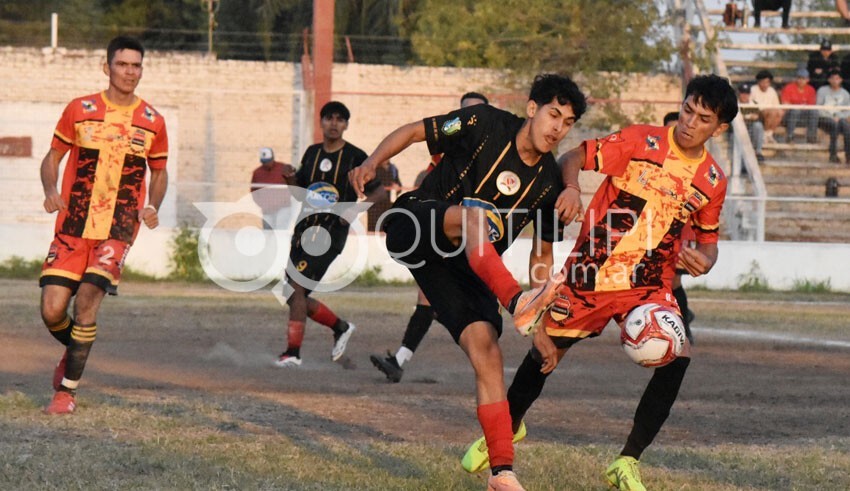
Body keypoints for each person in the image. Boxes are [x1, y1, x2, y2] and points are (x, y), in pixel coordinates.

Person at [461, 74, 738, 491]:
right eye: (686, 110)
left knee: (678, 357)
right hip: (590, 274)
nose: (688, 122)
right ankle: (507, 429)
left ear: (718, 129)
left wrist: (706, 260)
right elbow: (573, 156)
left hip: (648, 284)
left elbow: (709, 240)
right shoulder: (641, 142)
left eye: (702, 119)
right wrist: (571, 187)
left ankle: (627, 460)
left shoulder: (713, 180)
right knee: (545, 353)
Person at [350, 74, 587, 491]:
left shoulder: (549, 182)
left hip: (465, 266)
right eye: (553, 115)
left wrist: (544, 324)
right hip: (416, 223)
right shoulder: (482, 121)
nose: (558, 128)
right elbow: (414, 131)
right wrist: (372, 162)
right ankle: (517, 304)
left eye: (567, 123)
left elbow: (542, 256)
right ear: (532, 109)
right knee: (477, 214)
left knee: (488, 353)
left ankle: (501, 471)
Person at [38, 36, 168, 415]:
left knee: (88, 303)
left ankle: (66, 393)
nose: (130, 72)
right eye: (123, 64)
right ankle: (73, 349)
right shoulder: (80, 109)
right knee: (51, 310)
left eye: (136, 66)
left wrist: (153, 204)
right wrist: (49, 188)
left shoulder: (152, 121)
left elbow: (159, 172)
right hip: (73, 223)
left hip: (119, 227)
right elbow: (52, 157)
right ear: (106, 66)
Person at [370, 91, 490, 383]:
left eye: (477, 113)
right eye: (463, 112)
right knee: (431, 298)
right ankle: (400, 359)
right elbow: (422, 158)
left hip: (467, 237)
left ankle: (407, 357)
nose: (469, 119)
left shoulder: (492, 159)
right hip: (440, 232)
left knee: (454, 305)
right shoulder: (444, 151)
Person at [274, 101, 368, 367]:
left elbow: (378, 191)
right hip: (303, 229)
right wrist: (291, 179)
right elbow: (299, 193)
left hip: (329, 233)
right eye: (329, 118)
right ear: (322, 122)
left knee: (297, 289)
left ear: (346, 125)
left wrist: (354, 211)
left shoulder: (356, 157)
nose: (334, 123)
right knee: (292, 294)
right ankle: (340, 327)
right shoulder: (312, 153)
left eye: (340, 119)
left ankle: (293, 354)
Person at [663, 112, 697, 344]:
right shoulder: (658, 157)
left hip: (681, 228)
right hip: (656, 226)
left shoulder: (695, 161)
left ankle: (683, 325)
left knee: (673, 280)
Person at [250, 147, 291, 230]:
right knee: (268, 234)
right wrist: (262, 204)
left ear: (273, 158)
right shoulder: (257, 173)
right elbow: (254, 191)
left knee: (281, 233)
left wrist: (286, 200)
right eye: (264, 162)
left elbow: (292, 185)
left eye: (268, 161)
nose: (266, 164)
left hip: (283, 208)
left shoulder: (283, 168)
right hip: (267, 210)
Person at [816, 69, 850, 164]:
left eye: (837, 78)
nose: (835, 81)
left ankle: (848, 156)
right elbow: (818, 108)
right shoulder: (822, 91)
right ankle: (833, 155)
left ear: (841, 80)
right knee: (834, 126)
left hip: (839, 118)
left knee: (847, 128)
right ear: (829, 80)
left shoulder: (845, 93)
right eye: (832, 78)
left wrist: (839, 116)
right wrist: (830, 116)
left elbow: (848, 110)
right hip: (824, 118)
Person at [780, 68, 819, 144]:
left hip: (803, 117)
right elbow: (785, 105)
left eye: (803, 78)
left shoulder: (811, 89)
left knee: (814, 112)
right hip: (789, 116)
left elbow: (811, 106)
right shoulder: (789, 87)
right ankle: (790, 136)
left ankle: (811, 137)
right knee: (795, 110)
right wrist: (798, 106)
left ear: (808, 79)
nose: (801, 80)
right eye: (799, 78)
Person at [750, 70, 783, 144]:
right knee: (771, 112)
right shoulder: (753, 89)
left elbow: (776, 105)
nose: (765, 84)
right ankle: (764, 135)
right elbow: (751, 104)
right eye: (763, 82)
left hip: (771, 113)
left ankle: (768, 135)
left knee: (779, 112)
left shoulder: (772, 90)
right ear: (758, 82)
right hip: (758, 113)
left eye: (767, 82)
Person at [737, 82, 766, 163]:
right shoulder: (734, 104)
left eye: (747, 93)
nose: (744, 95)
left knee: (758, 126)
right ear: (739, 93)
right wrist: (749, 117)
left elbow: (757, 117)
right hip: (738, 131)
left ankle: (758, 152)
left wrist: (745, 117)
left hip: (751, 129)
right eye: (742, 93)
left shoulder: (754, 104)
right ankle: (742, 164)